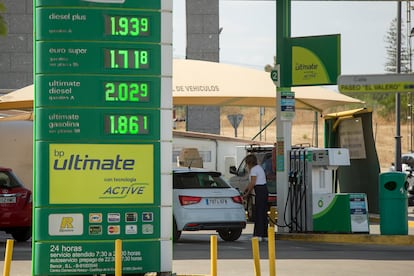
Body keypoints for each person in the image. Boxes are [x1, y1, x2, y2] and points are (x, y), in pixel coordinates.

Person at [243, 154, 269, 241]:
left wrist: (247, 194)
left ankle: (258, 234)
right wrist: (246, 188)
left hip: (259, 191)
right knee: (263, 213)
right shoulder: (259, 168)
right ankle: (265, 235)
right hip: (264, 190)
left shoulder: (253, 170)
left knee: (258, 213)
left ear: (248, 163)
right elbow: (252, 183)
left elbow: (253, 183)